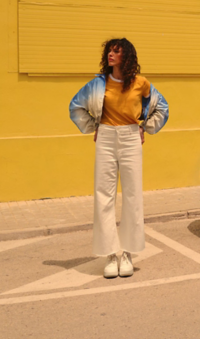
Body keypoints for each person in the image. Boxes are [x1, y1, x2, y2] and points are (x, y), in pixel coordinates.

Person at [69, 38, 169, 278]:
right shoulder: (97, 84)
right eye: (109, 51)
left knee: (133, 195)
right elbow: (76, 106)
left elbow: (162, 108)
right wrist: (94, 126)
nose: (111, 55)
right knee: (104, 195)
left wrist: (146, 127)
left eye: (117, 51)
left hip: (131, 137)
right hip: (105, 137)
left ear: (127, 57)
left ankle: (128, 253)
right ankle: (110, 254)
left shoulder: (141, 83)